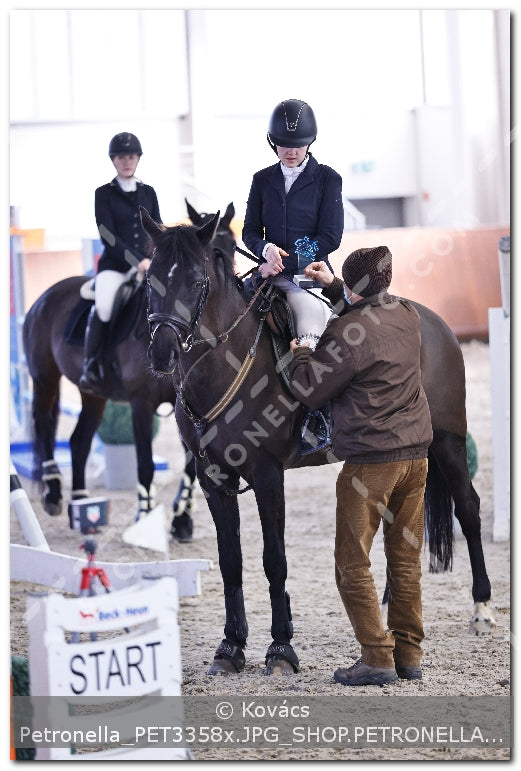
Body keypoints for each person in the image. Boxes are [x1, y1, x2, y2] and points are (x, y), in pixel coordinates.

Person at [288, 246, 433, 686]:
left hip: (370, 464)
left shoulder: (345, 331)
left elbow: (311, 390)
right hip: (416, 459)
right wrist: (338, 287)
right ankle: (408, 655)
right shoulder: (408, 313)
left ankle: (376, 657)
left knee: (352, 562)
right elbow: (371, 303)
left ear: (352, 288)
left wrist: (299, 352)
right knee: (404, 560)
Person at [241, 99, 344, 348]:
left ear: (310, 142)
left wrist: (281, 262)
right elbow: (250, 231)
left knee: (310, 341)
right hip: (264, 275)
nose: (291, 152)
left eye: (298, 145)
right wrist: (266, 250)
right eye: (284, 145)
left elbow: (330, 237)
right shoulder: (261, 180)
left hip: (307, 276)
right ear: (272, 141)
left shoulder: (328, 179)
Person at [79, 132, 162, 392]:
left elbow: (157, 226)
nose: (127, 161)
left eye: (131, 156)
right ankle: (91, 365)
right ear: (113, 160)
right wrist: (137, 260)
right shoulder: (103, 193)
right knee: (103, 307)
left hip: (149, 264)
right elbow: (107, 235)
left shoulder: (148, 192)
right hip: (115, 267)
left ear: (138, 159)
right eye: (121, 157)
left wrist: (156, 257)